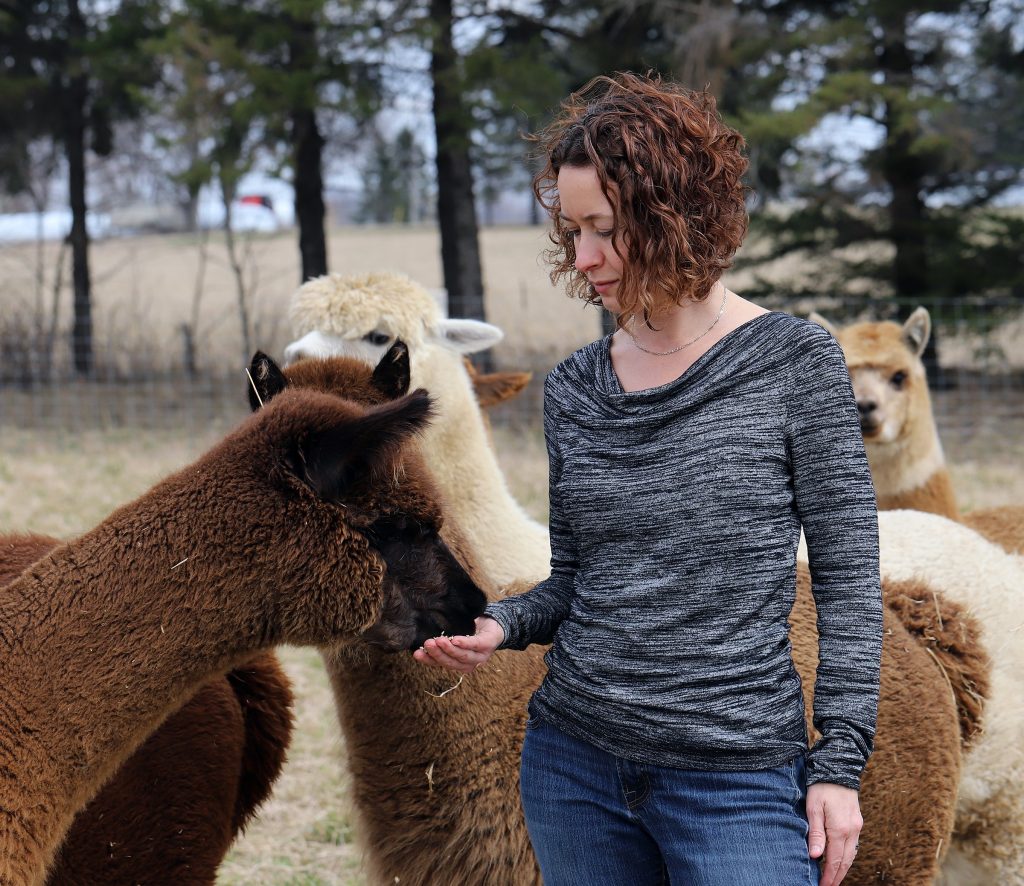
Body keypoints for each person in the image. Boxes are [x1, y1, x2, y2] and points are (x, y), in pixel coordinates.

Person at [413, 71, 882, 886]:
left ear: (675, 216)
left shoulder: (795, 365)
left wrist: (839, 767)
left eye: (605, 228)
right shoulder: (576, 388)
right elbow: (578, 582)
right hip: (573, 769)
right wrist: (502, 625)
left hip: (734, 781)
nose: (583, 256)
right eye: (571, 229)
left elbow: (848, 588)